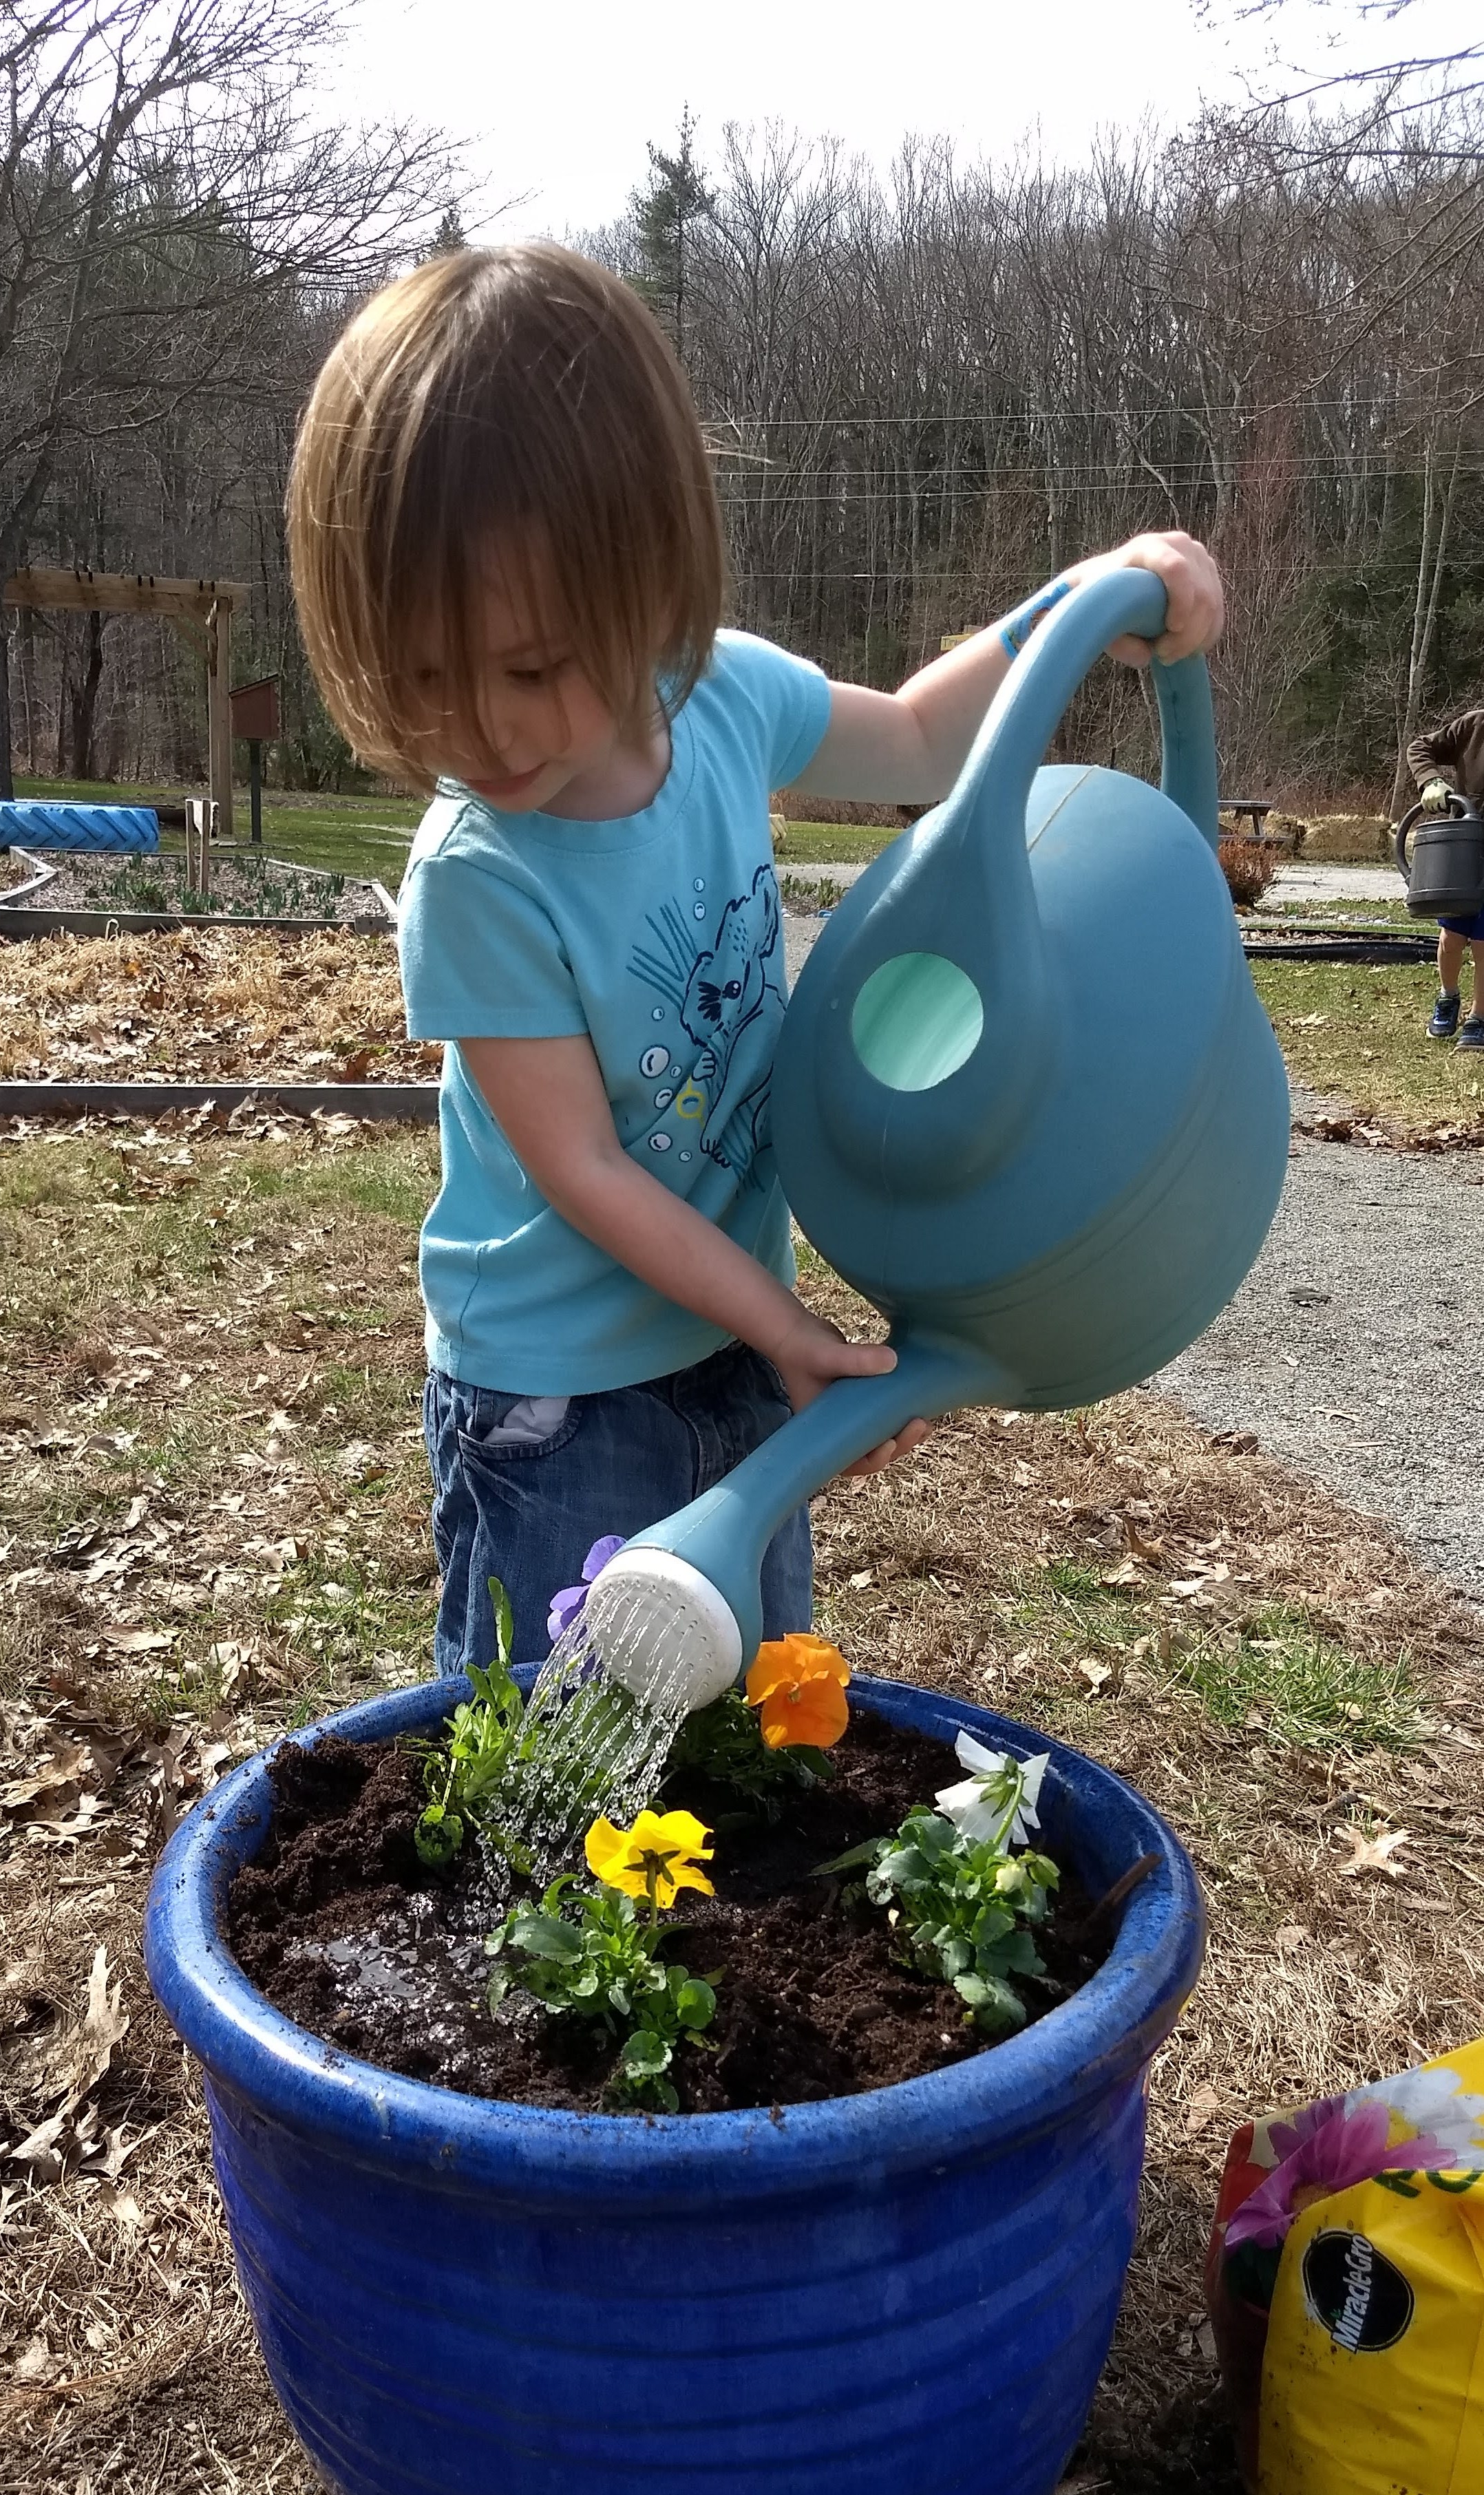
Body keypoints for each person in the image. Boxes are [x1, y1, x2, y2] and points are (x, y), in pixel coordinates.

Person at [286, 242, 1225, 1676]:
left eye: (532, 667)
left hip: (730, 1341)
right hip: (555, 1395)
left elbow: (921, 737)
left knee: (749, 1697)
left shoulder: (717, 698)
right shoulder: (480, 873)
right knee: (560, 1722)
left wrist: (1096, 589)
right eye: (426, 674)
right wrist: (782, 1322)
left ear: (642, 577)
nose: (485, 725)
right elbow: (586, 1170)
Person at [1406, 702, 1484, 1050]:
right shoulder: (1474, 726)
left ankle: (1479, 1017)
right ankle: (1448, 996)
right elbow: (1419, 747)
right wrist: (1431, 780)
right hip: (1463, 850)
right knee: (1452, 937)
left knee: (1483, 942)